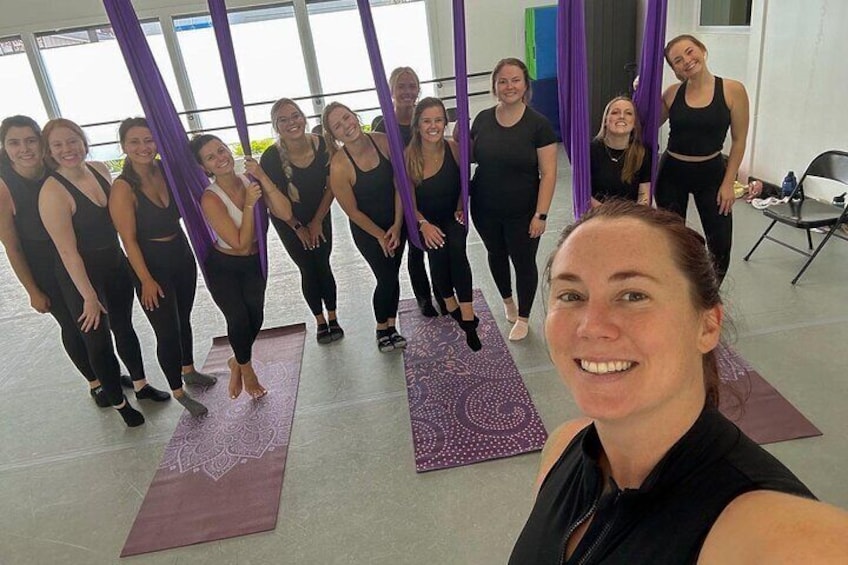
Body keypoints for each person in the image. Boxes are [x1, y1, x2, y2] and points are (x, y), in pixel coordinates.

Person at [509, 200, 848, 564]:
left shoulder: (776, 536)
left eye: (633, 295)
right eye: (571, 295)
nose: (591, 326)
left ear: (707, 325)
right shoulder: (563, 447)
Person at [39, 118, 166, 427]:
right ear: (50, 151)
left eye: (73, 141)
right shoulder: (53, 192)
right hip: (81, 276)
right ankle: (120, 403)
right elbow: (68, 252)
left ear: (83, 142)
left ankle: (140, 384)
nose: (68, 149)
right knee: (98, 342)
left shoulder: (99, 169)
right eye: (58, 145)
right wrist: (88, 297)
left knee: (124, 327)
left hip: (114, 263)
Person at [109, 118, 216, 417]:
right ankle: (178, 390)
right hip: (150, 264)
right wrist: (145, 279)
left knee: (183, 317)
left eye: (149, 140)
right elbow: (128, 241)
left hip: (180, 254)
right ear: (124, 146)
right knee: (166, 330)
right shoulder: (123, 188)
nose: (143, 147)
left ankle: (189, 370)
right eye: (135, 142)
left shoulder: (166, 172)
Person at [0, 115, 105, 403]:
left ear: (42, 143)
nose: (24, 149)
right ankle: (95, 381)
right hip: (43, 264)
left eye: (30, 140)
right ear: (4, 147)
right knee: (73, 324)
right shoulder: (4, 185)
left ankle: (107, 372)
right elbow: (12, 246)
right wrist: (32, 291)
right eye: (14, 143)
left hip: (76, 255)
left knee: (95, 320)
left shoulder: (55, 167)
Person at [190, 134, 292, 400]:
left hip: (253, 263)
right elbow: (240, 245)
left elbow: (285, 212)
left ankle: (237, 361)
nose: (221, 158)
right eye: (211, 157)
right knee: (237, 318)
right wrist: (248, 203)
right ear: (205, 168)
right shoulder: (210, 199)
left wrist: (262, 177)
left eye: (221, 150)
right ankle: (248, 372)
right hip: (224, 265)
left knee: (256, 318)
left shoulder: (251, 180)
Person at [471, 57, 557, 341]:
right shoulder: (482, 119)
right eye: (503, 81)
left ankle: (524, 316)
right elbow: (469, 160)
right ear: (495, 86)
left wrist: (540, 214)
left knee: (523, 261)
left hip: (523, 210)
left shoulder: (538, 124)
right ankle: (508, 302)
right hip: (485, 207)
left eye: (515, 80)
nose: (509, 86)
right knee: (496, 254)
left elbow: (549, 173)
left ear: (525, 85)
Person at [657, 34, 750, 284]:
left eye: (689, 51)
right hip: (672, 173)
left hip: (711, 173)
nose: (686, 60)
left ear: (702, 49)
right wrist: (643, 93)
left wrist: (729, 183)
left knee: (720, 243)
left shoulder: (732, 90)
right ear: (675, 69)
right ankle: (676, 292)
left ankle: (709, 297)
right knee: (673, 240)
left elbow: (739, 140)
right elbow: (647, 123)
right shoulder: (672, 93)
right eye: (678, 60)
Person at [324, 102, 407, 352]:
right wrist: (381, 235)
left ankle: (392, 326)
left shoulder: (383, 141)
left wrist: (397, 224)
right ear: (333, 135)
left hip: (396, 221)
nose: (346, 126)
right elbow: (352, 211)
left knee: (392, 275)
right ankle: (381, 327)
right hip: (368, 231)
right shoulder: (339, 165)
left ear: (355, 116)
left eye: (347, 118)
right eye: (337, 126)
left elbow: (400, 184)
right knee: (385, 276)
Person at [258, 98, 342, 345]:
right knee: (307, 267)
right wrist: (297, 227)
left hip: (320, 214)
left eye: (294, 115)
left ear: (303, 117)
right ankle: (320, 321)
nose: (291, 122)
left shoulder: (323, 146)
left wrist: (317, 221)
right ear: (276, 126)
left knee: (322, 264)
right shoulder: (271, 157)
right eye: (283, 120)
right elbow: (273, 200)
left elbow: (332, 187)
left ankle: (334, 317)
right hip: (287, 220)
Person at [405, 97, 481, 351]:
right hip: (425, 220)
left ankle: (468, 319)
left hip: (452, 214)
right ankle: (450, 304)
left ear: (445, 123)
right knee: (437, 253)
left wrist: (461, 205)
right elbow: (408, 201)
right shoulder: (409, 156)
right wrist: (423, 224)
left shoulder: (453, 148)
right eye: (427, 121)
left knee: (457, 249)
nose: (433, 126)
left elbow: (464, 183)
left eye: (438, 120)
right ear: (417, 125)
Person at [374, 67, 444, 318]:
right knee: (410, 251)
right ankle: (423, 298)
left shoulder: (422, 118)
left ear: (418, 89)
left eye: (411, 86)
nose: (407, 91)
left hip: (424, 194)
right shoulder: (383, 123)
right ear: (391, 91)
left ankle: (442, 293)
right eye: (401, 86)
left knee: (428, 247)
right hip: (396, 196)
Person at [590, 96, 651, 207]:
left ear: (634, 123)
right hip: (597, 215)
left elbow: (644, 195)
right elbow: (584, 194)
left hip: (631, 217)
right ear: (605, 120)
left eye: (628, 113)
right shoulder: (590, 151)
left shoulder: (642, 153)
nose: (622, 117)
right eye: (615, 112)